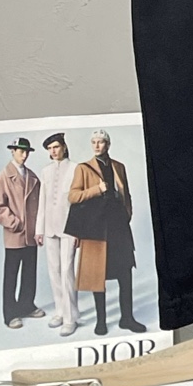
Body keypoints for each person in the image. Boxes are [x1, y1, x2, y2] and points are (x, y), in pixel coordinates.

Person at [66, 130, 145, 336]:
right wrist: (97, 189)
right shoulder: (83, 168)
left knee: (125, 272)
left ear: (108, 145)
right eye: (93, 142)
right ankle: (101, 321)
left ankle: (127, 318)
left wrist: (127, 214)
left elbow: (126, 194)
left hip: (118, 227)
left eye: (100, 142)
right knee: (97, 274)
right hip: (95, 228)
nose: (96, 146)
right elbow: (73, 196)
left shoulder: (119, 166)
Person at [0, 137, 43, 328]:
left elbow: (40, 206)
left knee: (30, 272)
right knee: (11, 275)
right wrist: (14, 223)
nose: (24, 154)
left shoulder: (33, 177)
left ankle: (26, 305)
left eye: (27, 151)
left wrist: (39, 228)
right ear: (12, 151)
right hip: (15, 234)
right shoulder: (3, 177)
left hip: (31, 235)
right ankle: (10, 314)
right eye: (21, 151)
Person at [35, 132, 79, 335]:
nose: (53, 151)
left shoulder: (76, 168)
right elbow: (42, 202)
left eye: (56, 147)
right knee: (54, 270)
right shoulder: (46, 171)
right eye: (50, 148)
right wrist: (39, 230)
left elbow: (79, 204)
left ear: (64, 147)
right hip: (50, 227)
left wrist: (78, 230)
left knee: (67, 270)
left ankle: (70, 318)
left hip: (69, 228)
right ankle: (60, 312)